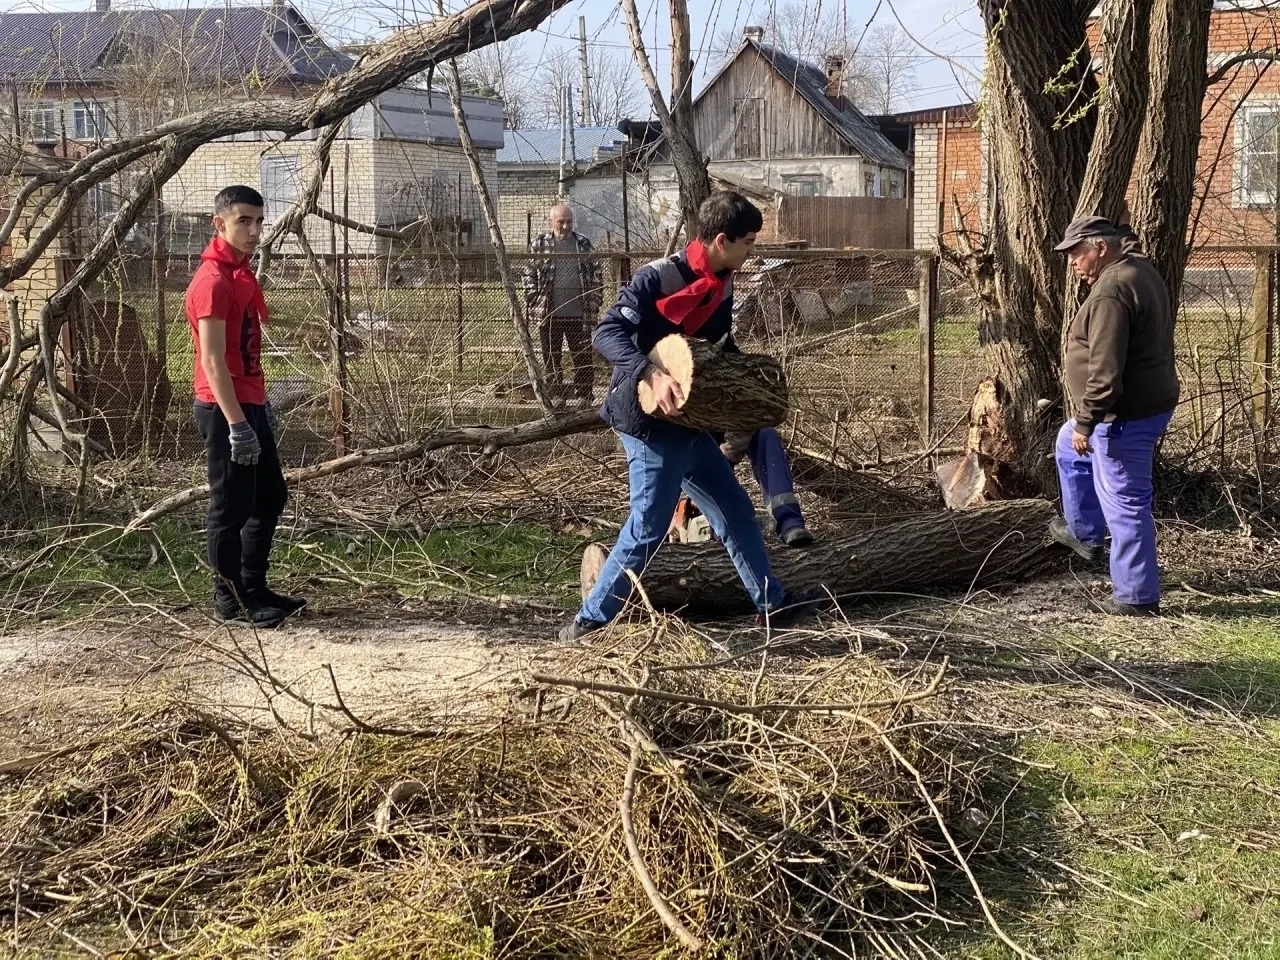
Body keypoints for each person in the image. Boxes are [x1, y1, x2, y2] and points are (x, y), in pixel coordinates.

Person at [559, 191, 817, 643]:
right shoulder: (657, 277)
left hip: (689, 423)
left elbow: (715, 349)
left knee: (736, 511)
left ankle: (771, 604)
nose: (753, 251)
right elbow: (606, 332)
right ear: (722, 241)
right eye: (749, 242)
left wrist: (748, 380)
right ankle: (590, 621)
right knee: (648, 527)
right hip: (648, 422)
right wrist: (651, 373)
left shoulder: (725, 281)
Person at [185, 185, 305, 627]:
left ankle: (254, 587)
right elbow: (212, 361)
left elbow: (244, 353)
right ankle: (230, 600)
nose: (255, 231)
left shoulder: (239, 274)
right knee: (230, 507)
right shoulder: (213, 282)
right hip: (223, 409)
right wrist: (238, 425)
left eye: (259, 221)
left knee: (270, 497)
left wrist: (259, 409)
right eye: (244, 221)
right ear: (220, 224)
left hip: (250, 403)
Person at [1051, 215, 1180, 617]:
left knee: (1125, 502)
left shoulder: (1110, 292)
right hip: (1148, 404)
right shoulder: (1139, 269)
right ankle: (1085, 534)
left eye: (1076, 252)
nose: (1072, 261)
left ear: (1100, 248)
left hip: (1120, 416)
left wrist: (1088, 422)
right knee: (1066, 447)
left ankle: (1136, 597)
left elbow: (1106, 374)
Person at [523, 203, 603, 404]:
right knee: (551, 357)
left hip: (580, 313)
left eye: (569, 222)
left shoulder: (583, 244)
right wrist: (533, 298)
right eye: (561, 222)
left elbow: (597, 273)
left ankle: (584, 396)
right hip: (549, 314)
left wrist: (595, 300)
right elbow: (528, 273)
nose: (565, 227)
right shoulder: (540, 244)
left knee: (582, 356)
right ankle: (556, 395)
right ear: (552, 222)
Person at [720, 428, 815, 547]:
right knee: (707, 453)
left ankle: (788, 522)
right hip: (702, 433)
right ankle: (713, 524)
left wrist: (738, 436)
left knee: (767, 434)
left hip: (742, 425)